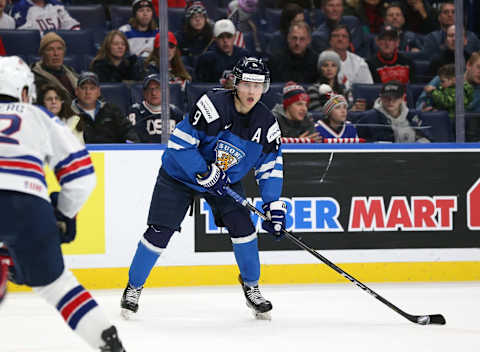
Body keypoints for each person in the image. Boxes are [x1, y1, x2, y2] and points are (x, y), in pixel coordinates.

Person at [120, 57, 285, 321]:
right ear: (236, 83)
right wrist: (204, 172)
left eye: (258, 85)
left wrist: (273, 205)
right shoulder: (211, 106)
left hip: (224, 182)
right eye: (246, 84)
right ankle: (134, 286)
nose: (252, 92)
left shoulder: (267, 124)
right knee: (159, 232)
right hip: (180, 175)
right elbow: (179, 144)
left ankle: (252, 287)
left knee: (244, 228)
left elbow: (270, 168)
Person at [0, 56, 125, 352]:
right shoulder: (38, 116)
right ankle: (108, 342)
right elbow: (81, 177)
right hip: (28, 206)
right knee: (57, 287)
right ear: (24, 92)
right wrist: (63, 215)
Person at [71, 71, 140, 143]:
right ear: (77, 91)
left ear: (98, 92)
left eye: (92, 88)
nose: (88, 92)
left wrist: (133, 144)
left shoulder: (112, 110)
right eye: (84, 88)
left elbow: (128, 131)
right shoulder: (68, 112)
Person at [357, 80, 431, 143]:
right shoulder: (369, 118)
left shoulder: (414, 116)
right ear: (381, 97)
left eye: (395, 97)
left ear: (403, 98)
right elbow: (359, 141)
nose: (391, 101)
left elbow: (429, 139)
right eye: (386, 97)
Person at [126, 74, 184, 143]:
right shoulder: (136, 111)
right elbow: (134, 140)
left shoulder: (176, 113)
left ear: (166, 91)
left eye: (158, 88)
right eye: (150, 89)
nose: (153, 93)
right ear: (144, 93)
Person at [31, 32, 79, 107]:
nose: (56, 53)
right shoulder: (35, 78)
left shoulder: (71, 71)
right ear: (42, 54)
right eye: (50, 49)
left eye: (59, 49)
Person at [10, 0, 80, 32]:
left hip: (59, 46)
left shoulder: (56, 4)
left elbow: (71, 24)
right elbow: (24, 36)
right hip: (36, 49)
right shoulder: (19, 8)